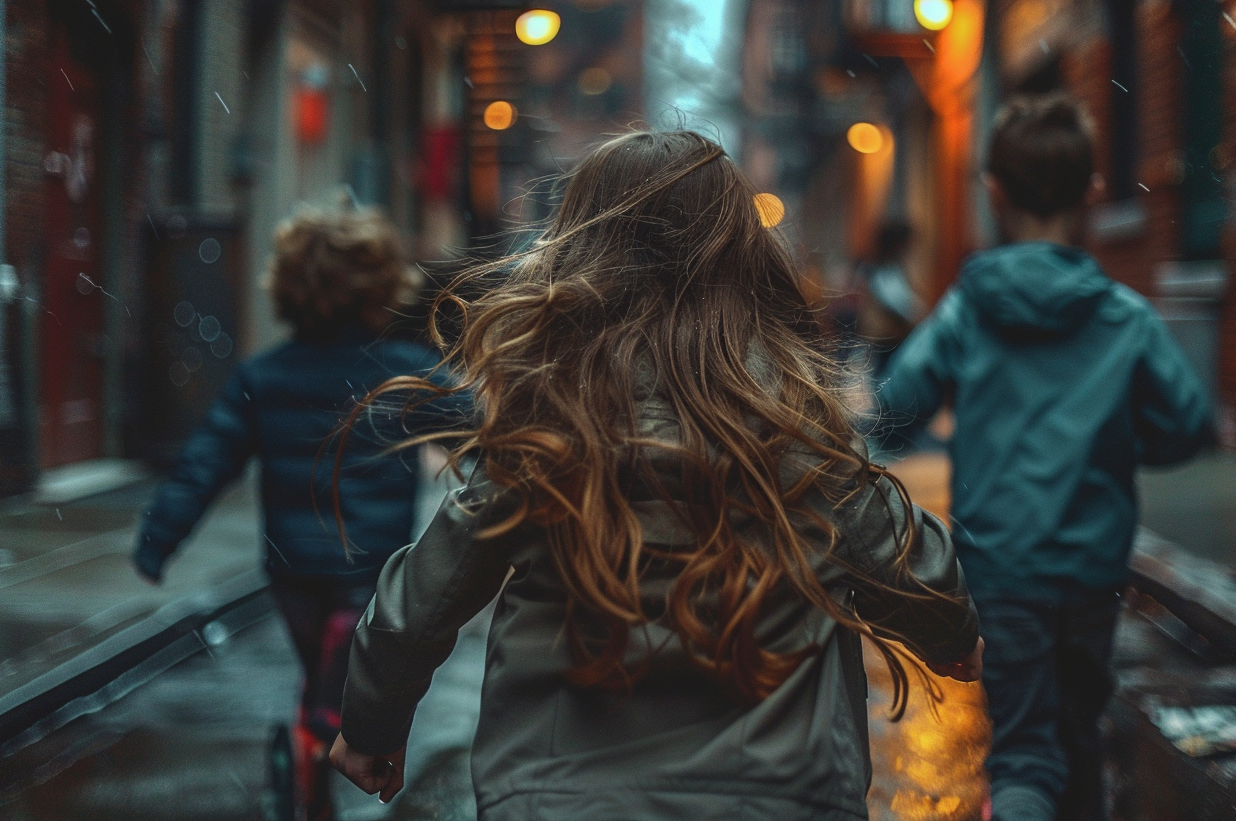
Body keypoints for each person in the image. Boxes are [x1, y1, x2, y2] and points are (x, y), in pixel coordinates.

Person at [329, 131, 984, 821]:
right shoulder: (795, 439)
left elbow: (422, 601)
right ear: (744, 261)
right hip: (780, 795)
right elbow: (904, 558)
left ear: (578, 255)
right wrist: (951, 635)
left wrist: (372, 727)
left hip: (562, 800)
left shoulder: (548, 441)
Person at [872, 94, 1215, 821]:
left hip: (1002, 564)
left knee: (1027, 749)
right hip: (1093, 569)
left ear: (993, 191)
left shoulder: (970, 307)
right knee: (1075, 731)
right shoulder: (1122, 314)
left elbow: (897, 406)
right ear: (1091, 192)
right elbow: (1190, 424)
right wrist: (1120, 441)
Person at [132, 204, 471, 820]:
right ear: (381, 285)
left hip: (291, 569)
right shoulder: (403, 371)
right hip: (365, 565)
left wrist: (159, 539)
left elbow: (205, 462)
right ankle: (312, 752)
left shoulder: (263, 375)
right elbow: (479, 428)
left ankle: (307, 757)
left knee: (322, 669)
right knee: (340, 674)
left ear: (288, 287)